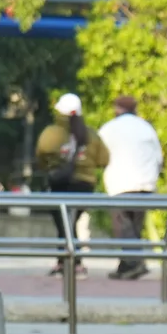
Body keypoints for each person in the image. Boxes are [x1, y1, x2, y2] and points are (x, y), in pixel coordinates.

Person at [36, 93, 110, 278]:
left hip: (60, 184)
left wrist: (52, 165)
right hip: (85, 185)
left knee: (63, 225)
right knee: (72, 223)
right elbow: (104, 159)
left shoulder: (51, 133)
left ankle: (68, 262)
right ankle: (70, 262)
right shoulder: (91, 134)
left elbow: (41, 154)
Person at [98, 95, 161, 280]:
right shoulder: (146, 128)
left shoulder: (109, 128)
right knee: (135, 227)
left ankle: (135, 262)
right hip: (146, 183)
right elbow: (158, 157)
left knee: (123, 227)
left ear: (117, 109)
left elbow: (100, 155)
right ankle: (126, 264)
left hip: (121, 183)